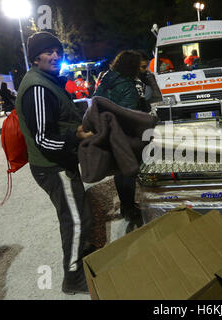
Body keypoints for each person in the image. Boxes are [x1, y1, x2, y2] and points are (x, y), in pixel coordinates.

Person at [15, 31, 94, 295]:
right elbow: (42, 138)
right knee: (75, 220)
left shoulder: (47, 80)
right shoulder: (38, 87)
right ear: (35, 58)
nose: (55, 56)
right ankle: (73, 277)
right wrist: (75, 136)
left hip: (59, 163)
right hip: (52, 166)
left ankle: (83, 256)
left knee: (78, 214)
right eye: (48, 52)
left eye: (57, 51)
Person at [93, 50, 144, 231]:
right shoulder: (128, 86)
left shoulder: (106, 78)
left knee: (118, 169)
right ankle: (130, 207)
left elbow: (96, 101)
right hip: (123, 133)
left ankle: (124, 205)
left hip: (106, 129)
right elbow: (130, 114)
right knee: (128, 169)